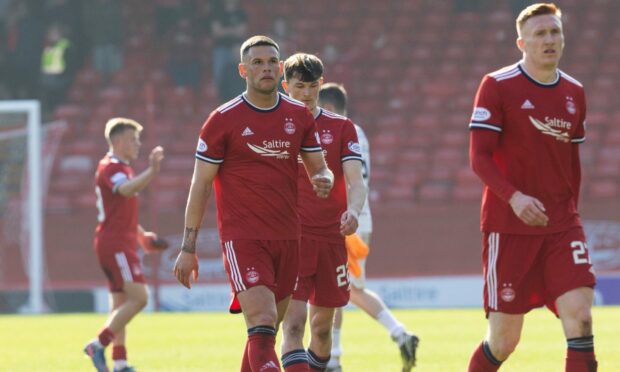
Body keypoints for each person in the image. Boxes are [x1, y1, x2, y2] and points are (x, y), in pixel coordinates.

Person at [173, 36, 334, 372]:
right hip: (243, 237)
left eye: (272, 62)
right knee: (262, 319)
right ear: (243, 70)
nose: (266, 68)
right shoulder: (222, 119)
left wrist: (325, 179)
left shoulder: (299, 116)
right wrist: (188, 247)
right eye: (258, 63)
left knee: (265, 334)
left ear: (280, 68)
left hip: (289, 236)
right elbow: (200, 184)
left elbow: (320, 168)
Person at [467, 3, 597, 371]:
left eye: (555, 32)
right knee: (505, 340)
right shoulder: (497, 86)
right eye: (540, 34)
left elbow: (572, 164)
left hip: (561, 224)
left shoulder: (575, 92)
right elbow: (480, 158)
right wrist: (515, 197)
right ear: (521, 42)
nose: (549, 40)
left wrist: (571, 211)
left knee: (582, 318)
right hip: (509, 227)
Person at [319, 83, 419, 372]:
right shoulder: (358, 133)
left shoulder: (336, 131)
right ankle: (401, 333)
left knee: (333, 290)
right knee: (352, 290)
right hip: (363, 218)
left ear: (329, 107)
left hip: (343, 221)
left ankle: (333, 359)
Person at [278, 55, 366, 372]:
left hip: (331, 238)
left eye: (312, 86)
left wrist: (354, 211)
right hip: (292, 239)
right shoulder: (274, 127)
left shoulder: (342, 129)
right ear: (285, 86)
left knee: (322, 329)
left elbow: (356, 180)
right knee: (293, 325)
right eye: (299, 86)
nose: (306, 93)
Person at [84, 118, 166, 372]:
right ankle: (97, 344)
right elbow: (125, 191)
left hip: (118, 242)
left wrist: (142, 237)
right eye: (133, 139)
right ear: (118, 141)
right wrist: (151, 172)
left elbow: (121, 211)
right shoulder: (111, 167)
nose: (138, 144)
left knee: (121, 306)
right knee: (140, 298)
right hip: (116, 245)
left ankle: (119, 362)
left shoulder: (120, 167)